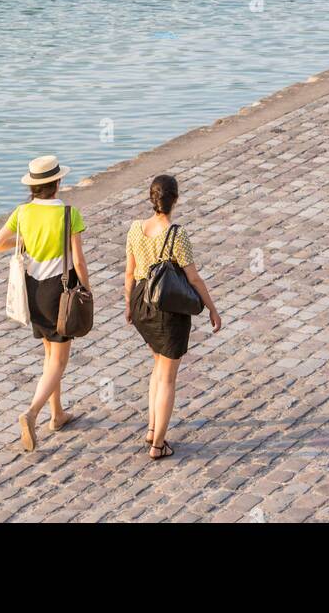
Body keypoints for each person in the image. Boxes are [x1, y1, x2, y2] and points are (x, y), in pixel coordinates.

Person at [0, 155, 91, 453]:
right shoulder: (69, 214)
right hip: (60, 291)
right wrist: (87, 288)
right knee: (59, 361)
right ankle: (31, 412)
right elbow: (79, 260)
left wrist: (23, 244)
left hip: (32, 294)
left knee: (49, 357)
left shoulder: (22, 213)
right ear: (58, 183)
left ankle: (56, 415)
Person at [125, 173, 221, 460]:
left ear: (150, 198)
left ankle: (153, 428)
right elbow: (193, 278)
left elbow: (129, 272)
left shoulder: (134, 229)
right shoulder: (177, 234)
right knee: (167, 377)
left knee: (157, 368)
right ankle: (158, 445)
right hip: (168, 310)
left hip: (142, 304)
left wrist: (128, 306)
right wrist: (212, 309)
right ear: (175, 199)